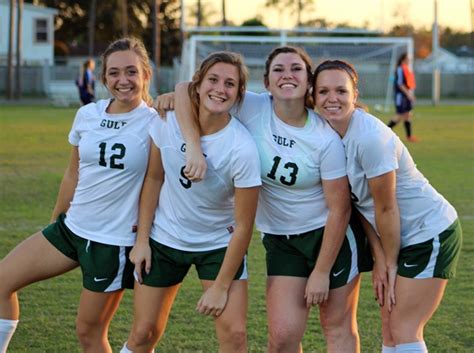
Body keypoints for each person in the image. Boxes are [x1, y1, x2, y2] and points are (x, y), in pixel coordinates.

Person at [156, 46, 372, 353]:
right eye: (279, 70)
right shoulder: (253, 106)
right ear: (266, 83)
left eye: (296, 69)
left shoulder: (324, 137)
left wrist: (321, 272)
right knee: (283, 337)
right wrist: (190, 139)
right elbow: (185, 89)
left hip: (329, 237)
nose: (287, 75)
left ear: (308, 81)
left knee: (336, 327)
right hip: (281, 240)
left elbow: (340, 209)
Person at [0, 37, 157, 353]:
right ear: (103, 77)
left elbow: (155, 182)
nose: (122, 80)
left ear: (145, 75)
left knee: (89, 333)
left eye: (131, 72)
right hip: (70, 229)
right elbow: (74, 172)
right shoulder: (88, 114)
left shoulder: (156, 122)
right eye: (114, 73)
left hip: (111, 243)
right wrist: (56, 218)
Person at [312, 59, 462, 353]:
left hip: (428, 232)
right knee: (389, 325)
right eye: (323, 91)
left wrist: (390, 264)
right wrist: (380, 258)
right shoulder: (327, 136)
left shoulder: (369, 138)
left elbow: (386, 208)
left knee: (404, 328)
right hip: (395, 237)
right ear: (313, 96)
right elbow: (361, 206)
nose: (332, 99)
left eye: (341, 91)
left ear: (355, 94)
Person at [120, 52, 261, 353]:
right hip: (165, 240)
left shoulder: (243, 148)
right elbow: (154, 180)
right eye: (213, 79)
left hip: (217, 246)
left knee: (235, 337)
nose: (220, 89)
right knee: (143, 333)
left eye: (230, 84)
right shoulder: (167, 120)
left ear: (238, 95)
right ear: (198, 84)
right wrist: (142, 240)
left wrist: (222, 286)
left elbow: (245, 225)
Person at [387, 53, 417, 142]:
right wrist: (408, 94)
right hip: (400, 95)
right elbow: (400, 84)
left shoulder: (406, 69)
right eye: (408, 58)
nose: (409, 60)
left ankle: (409, 137)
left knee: (407, 114)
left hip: (405, 95)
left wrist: (409, 94)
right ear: (403, 59)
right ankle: (383, 132)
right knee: (399, 115)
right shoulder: (400, 69)